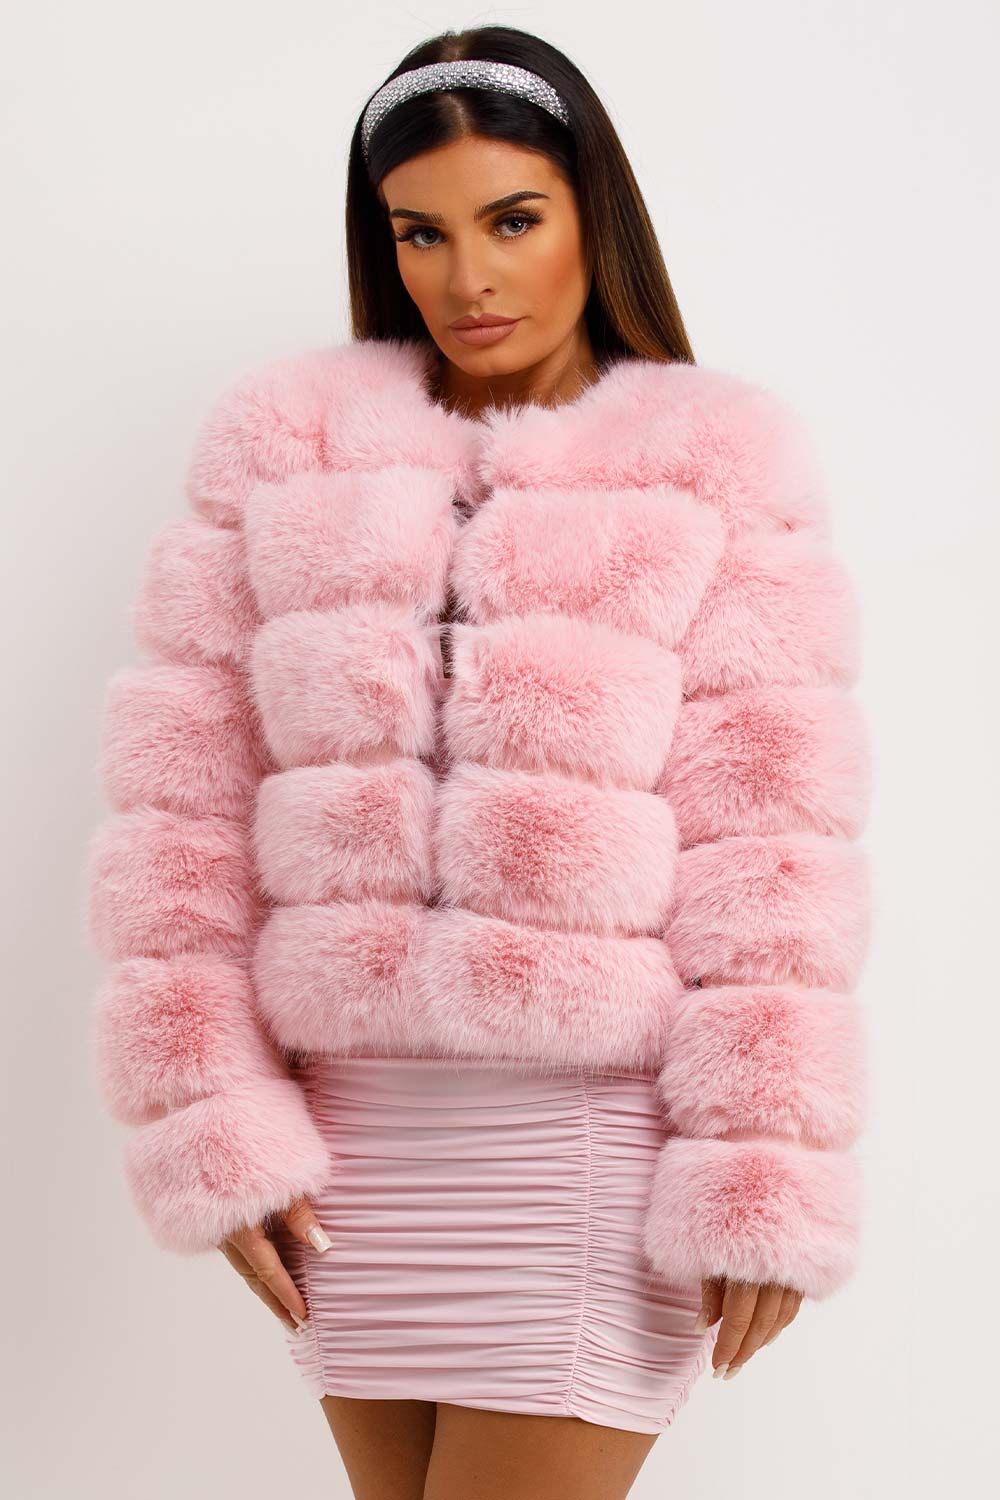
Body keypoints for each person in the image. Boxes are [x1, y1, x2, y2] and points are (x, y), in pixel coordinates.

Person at [86, 23, 871, 1500]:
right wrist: (210, 1117)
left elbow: (772, 844)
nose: (468, 279)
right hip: (348, 1149)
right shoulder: (284, 448)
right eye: (422, 233)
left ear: (592, 216)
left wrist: (763, 1154)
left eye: (513, 220)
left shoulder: (718, 462)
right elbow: (179, 817)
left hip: (588, 1145)